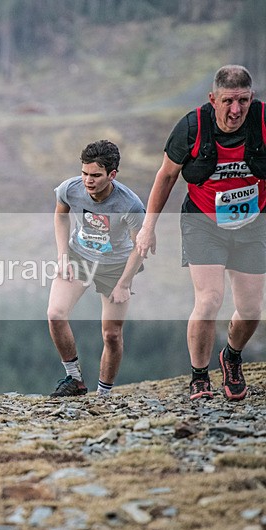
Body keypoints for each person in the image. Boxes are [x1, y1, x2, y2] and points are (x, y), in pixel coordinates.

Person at [136, 65, 266, 401]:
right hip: (203, 224)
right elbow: (165, 177)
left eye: (243, 101)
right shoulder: (192, 127)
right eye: (227, 101)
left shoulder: (263, 122)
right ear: (213, 99)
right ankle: (199, 377)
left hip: (253, 224)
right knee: (209, 299)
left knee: (251, 309)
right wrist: (148, 228)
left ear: (251, 98)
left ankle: (232, 358)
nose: (235, 110)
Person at [47, 140, 146, 397]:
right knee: (56, 314)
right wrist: (62, 256)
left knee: (111, 334)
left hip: (116, 266)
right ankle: (74, 380)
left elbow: (140, 247)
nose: (88, 181)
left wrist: (124, 283)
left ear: (112, 174)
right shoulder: (70, 188)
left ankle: (104, 395)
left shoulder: (130, 204)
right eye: (85, 173)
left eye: (96, 175)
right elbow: (60, 215)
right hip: (79, 257)